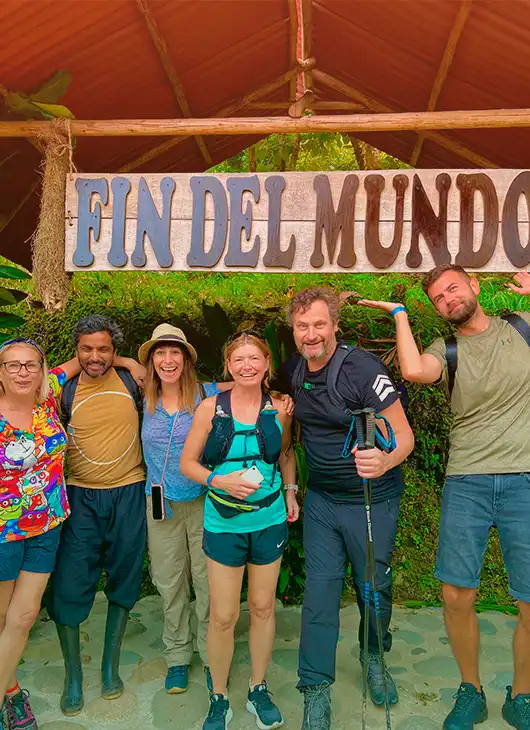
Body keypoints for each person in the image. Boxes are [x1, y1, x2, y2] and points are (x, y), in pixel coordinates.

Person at [358, 266, 530, 730]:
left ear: (474, 285)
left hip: (525, 478)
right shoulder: (445, 349)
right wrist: (400, 314)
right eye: (438, 297)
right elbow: (414, 370)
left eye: (453, 287)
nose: (448, 299)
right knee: (456, 593)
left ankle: (522, 694)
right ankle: (470, 689)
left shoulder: (521, 327)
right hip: (467, 479)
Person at [272, 287, 414, 730]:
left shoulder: (362, 368)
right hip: (322, 502)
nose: (311, 334)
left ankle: (373, 655)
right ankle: (315, 689)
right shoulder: (294, 369)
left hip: (371, 499)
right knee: (320, 594)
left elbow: (404, 436)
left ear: (335, 324)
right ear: (293, 330)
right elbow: (252, 387)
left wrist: (384, 460)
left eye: (319, 324)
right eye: (302, 326)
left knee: (374, 588)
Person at [180, 331, 299, 730]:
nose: (247, 366)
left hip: (268, 519)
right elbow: (188, 464)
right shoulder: (210, 409)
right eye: (239, 360)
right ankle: (218, 695)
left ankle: (258, 687)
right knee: (224, 615)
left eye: (254, 358)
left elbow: (284, 453)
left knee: (264, 607)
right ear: (228, 366)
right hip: (224, 523)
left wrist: (291, 491)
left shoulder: (279, 407)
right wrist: (220, 481)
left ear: (266, 364)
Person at [47, 315, 146, 717]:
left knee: (125, 576)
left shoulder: (132, 382)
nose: (95, 356)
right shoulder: (64, 388)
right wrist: (99, 360)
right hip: (80, 497)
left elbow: (192, 390)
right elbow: (35, 383)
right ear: (76, 350)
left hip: (129, 492)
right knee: (69, 583)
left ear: (114, 349)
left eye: (104, 349)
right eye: (86, 349)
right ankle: (73, 677)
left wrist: (127, 363)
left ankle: (109, 667)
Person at [139, 323, 230, 694]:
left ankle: (210, 653)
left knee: (207, 579)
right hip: (160, 502)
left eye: (174, 351)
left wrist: (281, 399)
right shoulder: (142, 397)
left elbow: (248, 385)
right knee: (168, 579)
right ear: (151, 361)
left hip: (203, 500)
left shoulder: (207, 394)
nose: (167, 360)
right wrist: (129, 362)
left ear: (187, 358)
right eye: (160, 353)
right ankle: (177, 654)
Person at [0, 337, 81, 730]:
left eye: (30, 364)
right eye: (12, 365)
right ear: (0, 372)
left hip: (47, 526)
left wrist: (131, 364)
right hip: (3, 533)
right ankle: (11, 693)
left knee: (25, 615)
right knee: (1, 617)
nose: (22, 372)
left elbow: (80, 359)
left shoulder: (46, 398)